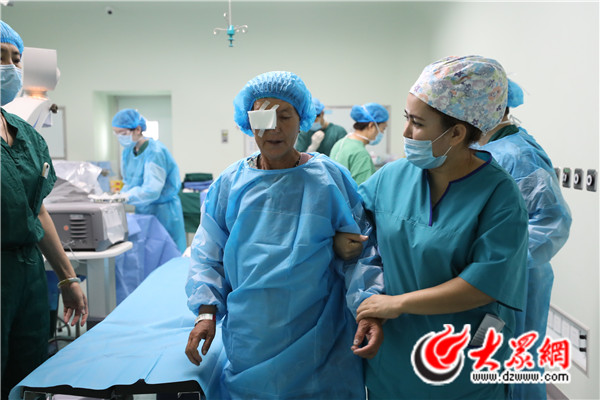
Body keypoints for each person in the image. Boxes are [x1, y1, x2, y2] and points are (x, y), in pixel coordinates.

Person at [337, 56, 529, 399]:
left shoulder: (499, 195)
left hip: (461, 358)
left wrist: (398, 304)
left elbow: (484, 284)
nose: (406, 132)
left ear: (456, 133)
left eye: (417, 123)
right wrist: (345, 244)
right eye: (407, 118)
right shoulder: (391, 177)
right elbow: (356, 231)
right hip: (393, 355)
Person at [184, 71, 384, 399]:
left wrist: (368, 308)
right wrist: (206, 312)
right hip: (252, 336)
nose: (273, 128)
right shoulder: (231, 183)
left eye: (284, 116)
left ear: (302, 119)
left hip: (320, 338)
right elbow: (208, 254)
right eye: (262, 118)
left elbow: (362, 251)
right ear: (249, 122)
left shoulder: (327, 178)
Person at [1, 20, 88, 400]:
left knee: (29, 373)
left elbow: (37, 211)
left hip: (29, 275)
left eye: (15, 58)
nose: (9, 67)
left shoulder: (25, 134)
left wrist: (68, 279)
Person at [477, 79, 572, 400]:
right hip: (493, 279)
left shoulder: (518, 154)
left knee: (515, 360)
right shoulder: (487, 149)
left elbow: (551, 220)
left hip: (516, 281)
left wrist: (500, 264)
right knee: (485, 357)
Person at [112, 109, 186, 252]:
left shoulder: (155, 151)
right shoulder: (128, 152)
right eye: (116, 133)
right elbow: (129, 182)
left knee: (168, 253)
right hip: (143, 210)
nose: (120, 137)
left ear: (138, 129)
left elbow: (152, 190)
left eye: (123, 133)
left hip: (164, 212)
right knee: (147, 253)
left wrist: (126, 197)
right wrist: (118, 196)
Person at [330, 102, 389, 185]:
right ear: (371, 126)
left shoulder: (340, 143)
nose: (382, 132)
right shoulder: (361, 154)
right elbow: (364, 190)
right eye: (383, 128)